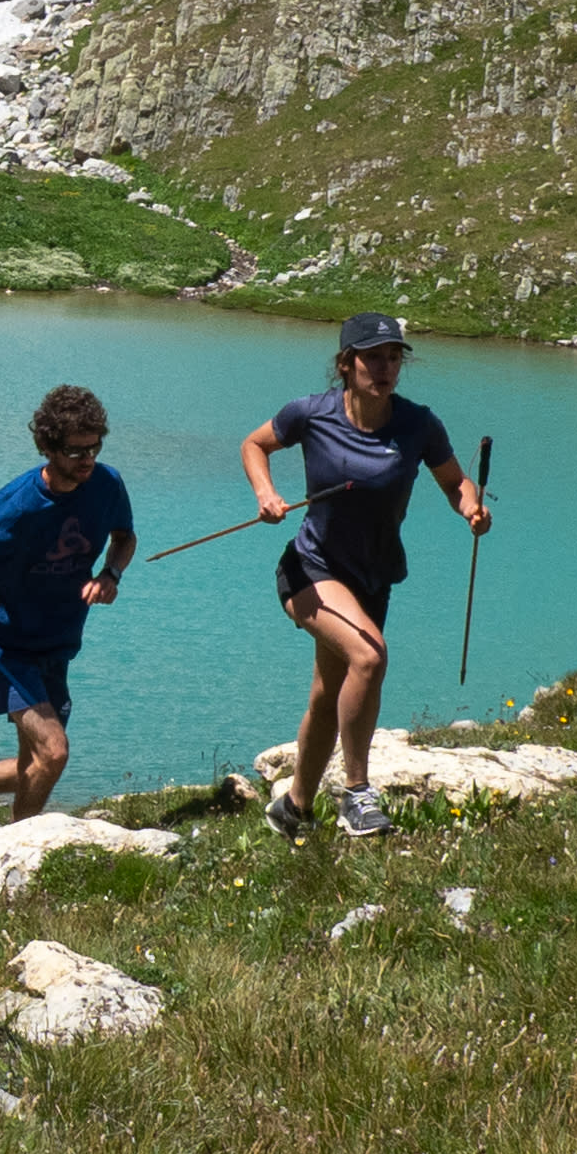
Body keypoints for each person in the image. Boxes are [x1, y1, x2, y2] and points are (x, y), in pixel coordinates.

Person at [243, 310, 489, 841]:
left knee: (327, 696)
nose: (385, 367)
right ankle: (357, 793)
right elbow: (255, 445)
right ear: (346, 363)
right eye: (372, 357)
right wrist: (266, 494)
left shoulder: (418, 424)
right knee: (368, 655)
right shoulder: (310, 413)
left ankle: (294, 807)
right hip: (310, 569)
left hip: (371, 580)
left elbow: (454, 482)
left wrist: (471, 508)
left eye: (393, 357)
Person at [0, 385, 133, 850]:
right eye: (75, 450)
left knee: (36, 762)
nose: (87, 459)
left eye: (95, 446)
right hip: (5, 645)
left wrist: (111, 574)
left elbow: (124, 537)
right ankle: (13, 851)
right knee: (54, 751)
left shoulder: (107, 484)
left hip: (57, 643)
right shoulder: (15, 506)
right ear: (47, 446)